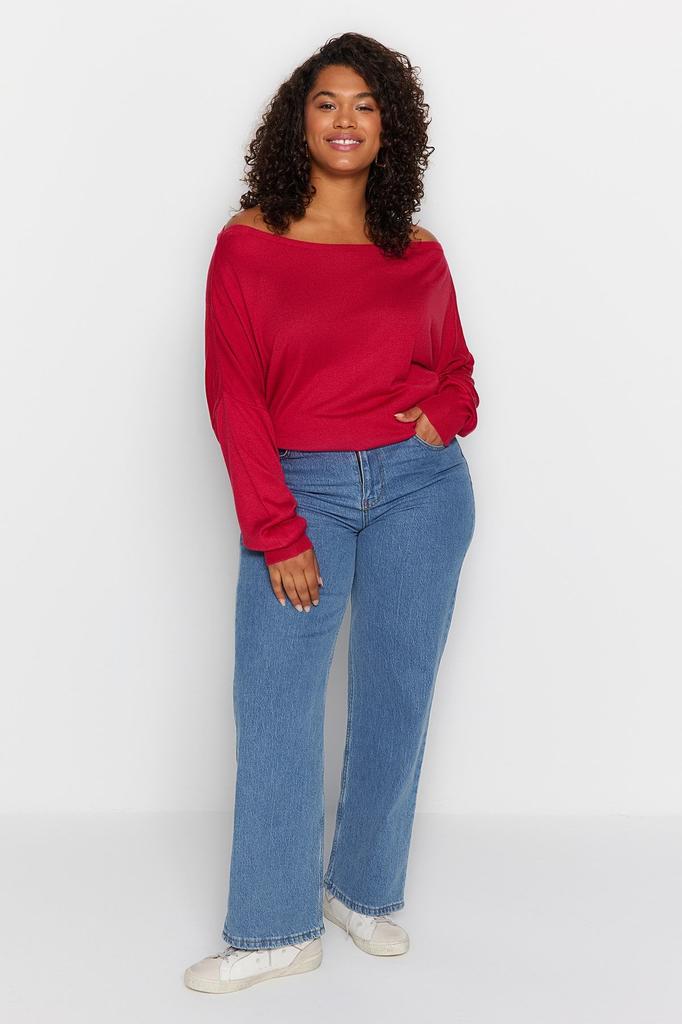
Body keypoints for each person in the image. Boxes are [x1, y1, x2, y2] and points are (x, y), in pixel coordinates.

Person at [184, 31, 479, 995]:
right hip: (300, 492)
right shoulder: (249, 243)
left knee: (397, 692)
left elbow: (456, 373)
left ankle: (364, 891)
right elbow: (233, 397)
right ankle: (276, 928)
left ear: (389, 127)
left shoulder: (417, 251)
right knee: (277, 705)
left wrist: (440, 419)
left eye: (365, 104)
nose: (345, 119)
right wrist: (275, 530)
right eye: (327, 102)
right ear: (299, 121)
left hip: (419, 491)